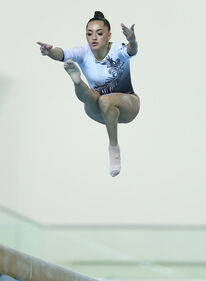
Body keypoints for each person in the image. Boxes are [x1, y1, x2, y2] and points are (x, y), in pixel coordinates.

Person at [37, 11, 140, 177]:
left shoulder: (117, 49)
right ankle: (77, 80)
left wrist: (132, 40)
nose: (94, 38)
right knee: (93, 97)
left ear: (108, 35)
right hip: (98, 111)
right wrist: (50, 52)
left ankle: (113, 148)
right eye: (89, 34)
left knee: (106, 100)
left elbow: (132, 50)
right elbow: (63, 54)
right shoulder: (83, 52)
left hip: (128, 105)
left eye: (99, 34)